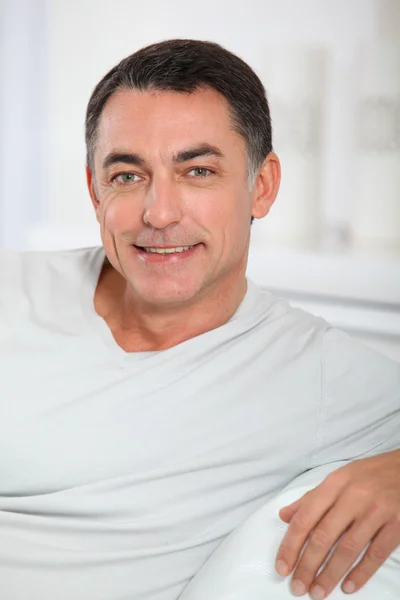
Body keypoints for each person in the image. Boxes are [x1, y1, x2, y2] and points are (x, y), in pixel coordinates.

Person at [0, 39, 399, 600]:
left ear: (262, 186)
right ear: (95, 192)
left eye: (198, 171)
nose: (159, 213)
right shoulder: (11, 290)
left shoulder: (319, 374)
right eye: (128, 176)